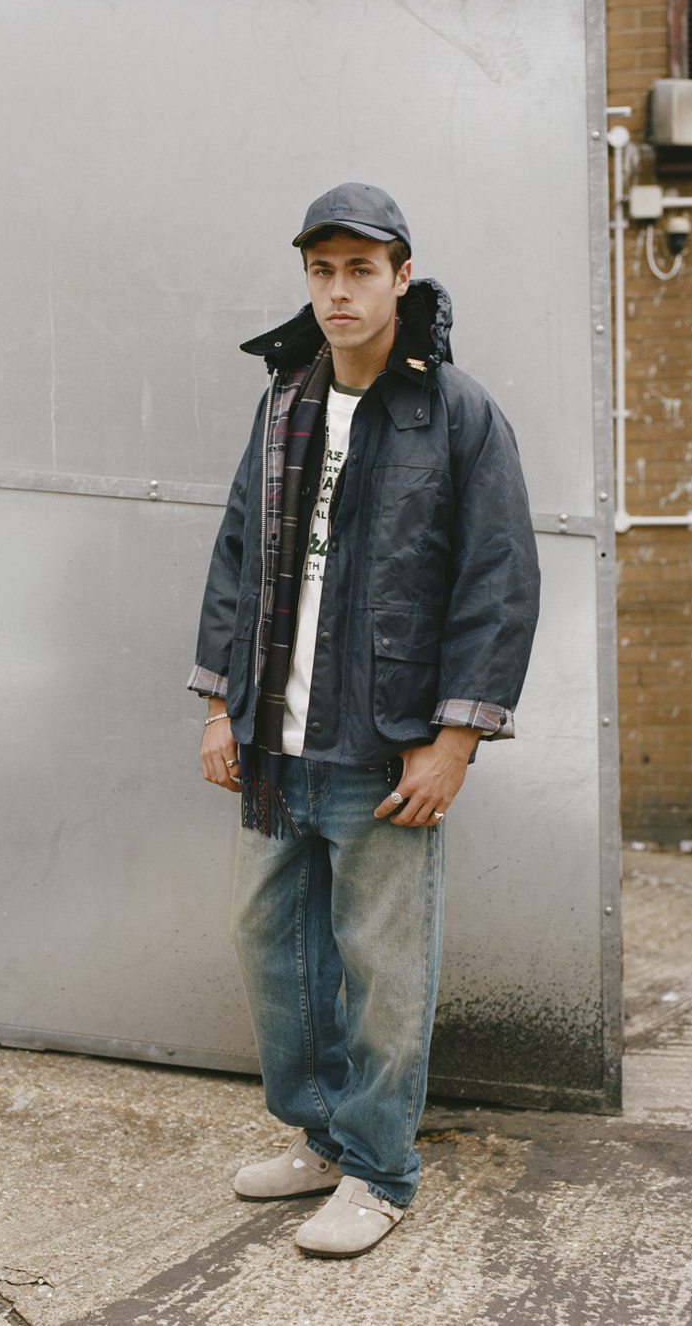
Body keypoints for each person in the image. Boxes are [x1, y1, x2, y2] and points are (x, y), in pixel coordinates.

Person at [188, 183, 540, 1258]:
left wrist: (456, 740)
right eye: (322, 271)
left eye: (360, 270)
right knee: (273, 952)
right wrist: (221, 707)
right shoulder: (284, 403)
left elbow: (498, 580)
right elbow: (239, 555)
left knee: (385, 970)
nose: (338, 291)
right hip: (274, 746)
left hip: (383, 750)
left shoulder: (455, 412)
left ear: (400, 276)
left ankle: (381, 1172)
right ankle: (323, 1137)